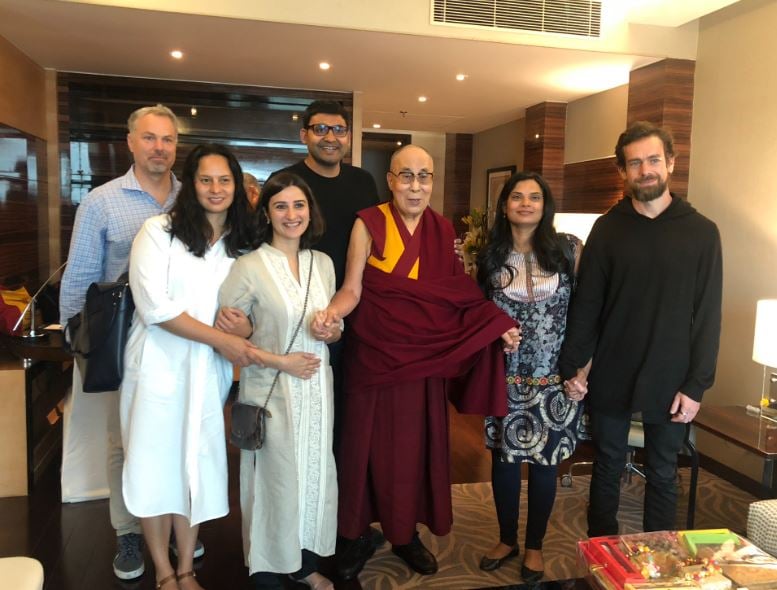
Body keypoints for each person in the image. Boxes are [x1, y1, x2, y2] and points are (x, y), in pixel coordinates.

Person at [313, 144, 520, 576]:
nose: (415, 185)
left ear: (432, 182)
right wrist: (332, 312)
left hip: (421, 363)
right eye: (405, 176)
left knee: (413, 451)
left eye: (423, 176)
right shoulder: (368, 223)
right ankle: (354, 534)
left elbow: (456, 293)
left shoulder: (442, 230)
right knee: (361, 449)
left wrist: (495, 322)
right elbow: (352, 288)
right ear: (390, 180)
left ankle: (405, 535)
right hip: (373, 357)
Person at [560, 121, 722, 537]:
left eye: (653, 160)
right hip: (613, 369)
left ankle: (659, 559)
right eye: (635, 163)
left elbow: (708, 315)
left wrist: (697, 385)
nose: (645, 170)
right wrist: (574, 367)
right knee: (608, 464)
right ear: (623, 171)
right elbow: (587, 306)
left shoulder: (702, 233)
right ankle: (600, 556)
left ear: (670, 163)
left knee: (664, 471)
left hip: (672, 376)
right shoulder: (607, 230)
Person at [58, 104, 194, 580]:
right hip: (121, 338)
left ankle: (176, 527)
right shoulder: (102, 201)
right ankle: (128, 532)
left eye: (169, 139)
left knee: (175, 437)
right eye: (151, 138)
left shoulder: (191, 199)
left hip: (180, 339)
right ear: (130, 142)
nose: (160, 148)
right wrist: (79, 344)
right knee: (125, 441)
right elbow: (78, 277)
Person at [120, 143, 256, 590]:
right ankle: (163, 572)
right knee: (153, 465)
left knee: (193, 466)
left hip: (207, 373)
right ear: (190, 184)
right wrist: (225, 340)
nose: (215, 189)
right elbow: (155, 307)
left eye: (224, 180)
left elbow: (255, 310)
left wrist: (246, 327)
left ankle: (186, 569)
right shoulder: (158, 231)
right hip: (156, 368)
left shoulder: (243, 245)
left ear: (236, 186)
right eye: (205, 179)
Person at [269, 99, 382, 578]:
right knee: (303, 431)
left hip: (357, 318)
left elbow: (377, 246)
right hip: (305, 321)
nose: (331, 137)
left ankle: (341, 526)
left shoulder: (362, 183)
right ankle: (295, 536)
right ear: (304, 134)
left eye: (339, 129)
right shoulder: (289, 180)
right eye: (321, 129)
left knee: (349, 427)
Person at [218, 172, 339, 590]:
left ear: (310, 211)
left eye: (299, 205)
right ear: (267, 213)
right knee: (275, 480)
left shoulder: (321, 264)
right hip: (271, 390)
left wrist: (331, 331)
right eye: (281, 206)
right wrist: (280, 360)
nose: (291, 214)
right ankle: (268, 565)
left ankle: (302, 563)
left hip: (317, 391)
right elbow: (227, 339)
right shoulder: (247, 267)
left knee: (311, 475)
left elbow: (334, 328)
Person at [476, 171, 585, 583]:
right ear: (505, 205)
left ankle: (535, 546)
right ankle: (507, 539)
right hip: (503, 378)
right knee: (503, 462)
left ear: (545, 205)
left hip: (554, 380)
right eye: (517, 196)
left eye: (534, 197)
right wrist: (493, 331)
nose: (525, 203)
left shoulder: (569, 251)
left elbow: (585, 315)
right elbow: (477, 313)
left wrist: (581, 371)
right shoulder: (489, 255)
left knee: (545, 465)